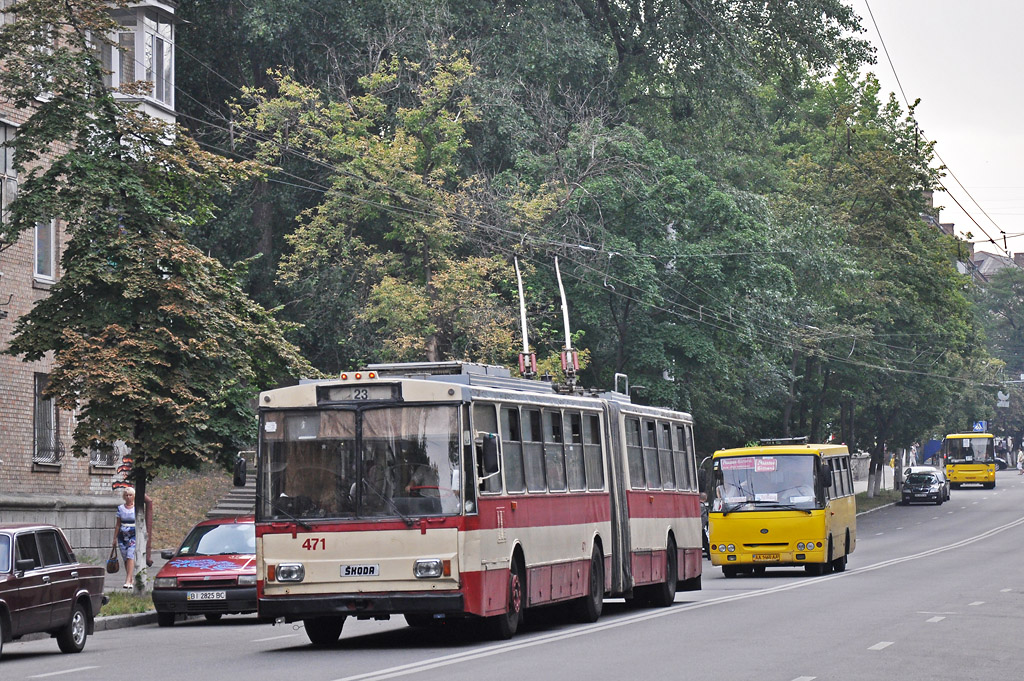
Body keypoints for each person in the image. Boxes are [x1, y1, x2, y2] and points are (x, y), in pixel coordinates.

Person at [113, 487, 137, 589]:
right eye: (126, 495)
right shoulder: (120, 508)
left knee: (130, 556)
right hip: (122, 536)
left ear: (134, 496)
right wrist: (114, 538)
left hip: (133, 535)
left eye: (130, 495)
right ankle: (130, 578)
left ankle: (127, 580)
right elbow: (118, 524)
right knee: (125, 558)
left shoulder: (137, 508)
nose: (128, 497)